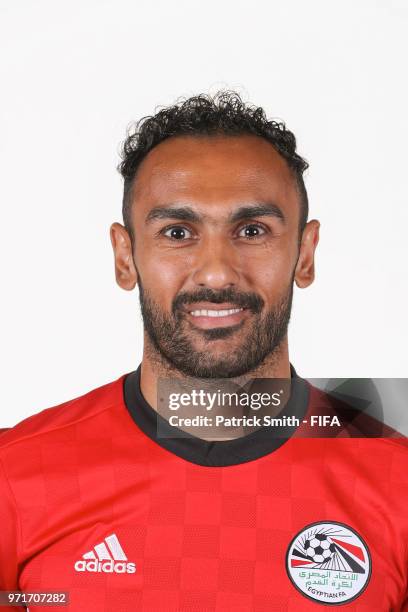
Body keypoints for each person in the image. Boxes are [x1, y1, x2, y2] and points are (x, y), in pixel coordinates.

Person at [0, 92, 406, 611]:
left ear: (304, 255)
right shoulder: (16, 477)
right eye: (178, 232)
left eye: (252, 230)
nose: (216, 272)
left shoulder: (396, 484)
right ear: (126, 258)